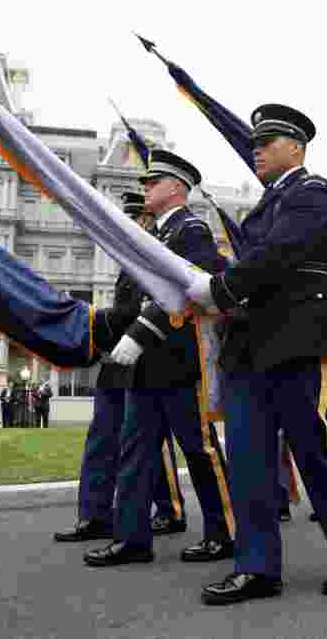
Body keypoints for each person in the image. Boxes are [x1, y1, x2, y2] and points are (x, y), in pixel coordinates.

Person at [188, 104, 327, 604]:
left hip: (300, 335)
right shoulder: (266, 205)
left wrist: (223, 288)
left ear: (296, 147)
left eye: (266, 142)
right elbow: (258, 261)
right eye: (254, 144)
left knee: (315, 450)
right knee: (249, 460)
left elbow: (282, 253)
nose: (256, 150)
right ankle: (256, 567)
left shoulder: (312, 192)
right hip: (252, 343)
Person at [84, 150, 235, 567]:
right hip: (145, 365)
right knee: (135, 451)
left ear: (177, 188)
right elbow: (133, 297)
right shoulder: (150, 237)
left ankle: (225, 532)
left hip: (179, 361)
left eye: (153, 182)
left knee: (199, 451)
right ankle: (132, 539)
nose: (146, 189)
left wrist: (138, 335)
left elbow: (187, 293)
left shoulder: (192, 232)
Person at [54, 193, 186, 543]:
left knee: (145, 440)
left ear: (145, 220)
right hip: (116, 356)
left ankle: (169, 507)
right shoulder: (129, 259)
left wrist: (95, 322)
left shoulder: (155, 254)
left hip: (146, 354)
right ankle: (95, 514)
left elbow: (146, 310)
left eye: (133, 220)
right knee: (102, 437)